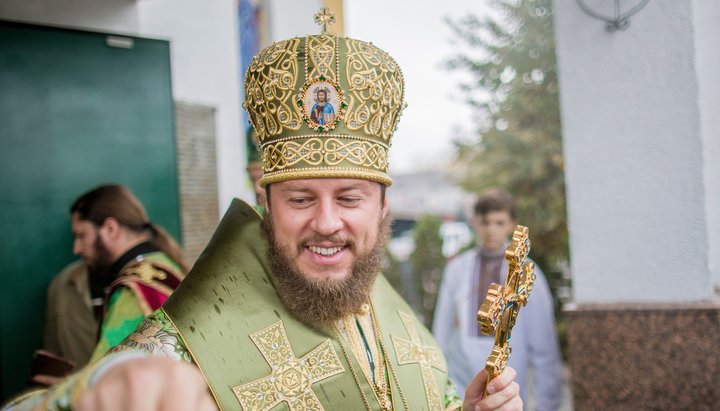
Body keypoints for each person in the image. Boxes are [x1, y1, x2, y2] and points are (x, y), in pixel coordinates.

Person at [4, 21, 522, 411]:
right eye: (300, 199)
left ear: (383, 207)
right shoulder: (192, 333)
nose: (325, 222)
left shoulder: (381, 300)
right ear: (264, 205)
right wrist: (98, 387)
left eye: (348, 199)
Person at [433, 188, 564, 410]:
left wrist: (546, 403)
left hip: (509, 376)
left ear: (512, 223)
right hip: (460, 375)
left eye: (499, 222)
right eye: (485, 222)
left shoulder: (526, 272)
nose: (491, 230)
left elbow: (544, 346)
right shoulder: (457, 269)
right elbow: (442, 331)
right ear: (475, 223)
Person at [67, 184, 188, 361]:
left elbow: (102, 376)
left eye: (81, 235)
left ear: (109, 228)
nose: (76, 248)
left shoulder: (133, 289)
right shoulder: (164, 262)